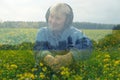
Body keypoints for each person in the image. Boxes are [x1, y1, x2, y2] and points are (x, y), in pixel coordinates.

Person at [33, 3, 92, 72]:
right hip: (44, 72)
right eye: (51, 16)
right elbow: (39, 48)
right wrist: (47, 57)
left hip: (69, 73)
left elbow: (87, 46)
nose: (53, 21)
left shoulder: (75, 33)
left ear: (66, 21)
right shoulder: (42, 32)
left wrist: (69, 57)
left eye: (58, 18)